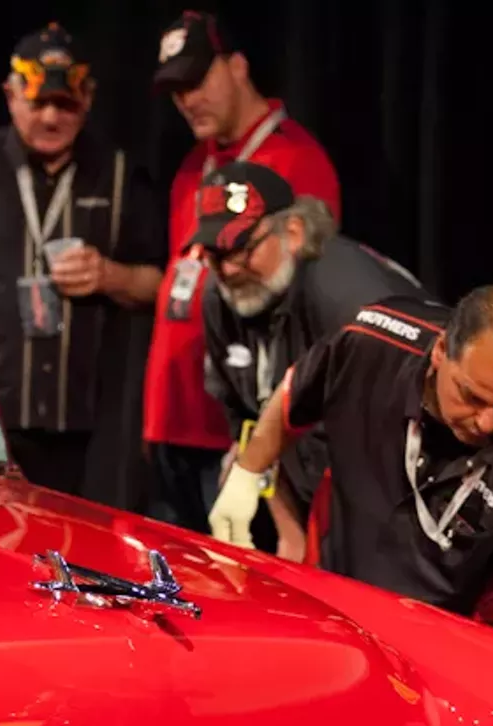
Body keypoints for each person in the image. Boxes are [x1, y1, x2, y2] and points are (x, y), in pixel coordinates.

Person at [210, 282, 493, 619]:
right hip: (329, 590)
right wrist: (247, 472)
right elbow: (295, 395)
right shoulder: (373, 340)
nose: (487, 422)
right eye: (471, 396)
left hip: (438, 639)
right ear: (441, 351)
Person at [0, 23, 167, 497]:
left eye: (65, 104)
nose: (50, 117)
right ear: (9, 95)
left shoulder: (119, 174)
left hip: (82, 427)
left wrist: (110, 275)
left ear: (88, 99)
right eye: (37, 102)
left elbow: (159, 285)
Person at [144, 10, 341, 534]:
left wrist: (264, 447)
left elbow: (308, 313)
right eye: (176, 89)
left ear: (238, 66)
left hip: (239, 431)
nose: (187, 100)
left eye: (197, 80)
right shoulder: (192, 167)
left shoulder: (298, 162)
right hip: (172, 417)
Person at [192, 161, 436, 561]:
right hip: (313, 492)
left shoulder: (348, 299)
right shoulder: (221, 298)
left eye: (242, 249)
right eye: (215, 255)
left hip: (398, 501)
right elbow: (250, 422)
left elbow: (393, 431)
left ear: (293, 232)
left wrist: (320, 539)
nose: (229, 269)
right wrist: (289, 529)